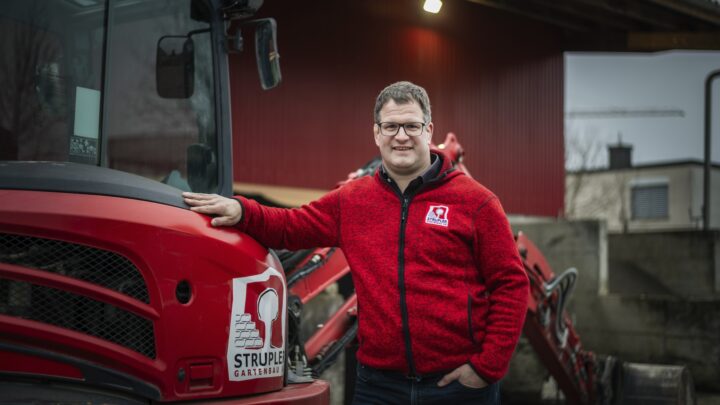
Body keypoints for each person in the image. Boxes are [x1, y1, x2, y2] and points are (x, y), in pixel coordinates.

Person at [183, 81, 529, 404]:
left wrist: (485, 369)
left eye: (412, 126)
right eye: (391, 127)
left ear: (429, 130)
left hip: (456, 388)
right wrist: (242, 210)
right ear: (377, 133)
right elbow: (290, 226)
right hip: (378, 387)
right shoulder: (352, 201)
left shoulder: (476, 202)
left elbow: (511, 284)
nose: (401, 136)